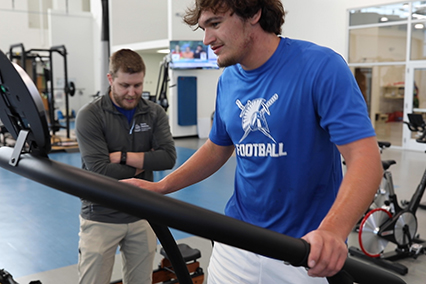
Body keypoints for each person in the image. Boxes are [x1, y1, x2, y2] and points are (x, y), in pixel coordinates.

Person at [122, 1, 383, 283]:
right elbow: (216, 147)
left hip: (302, 250)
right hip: (237, 241)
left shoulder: (320, 67)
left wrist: (333, 230)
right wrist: (161, 187)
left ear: (254, 13)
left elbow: (365, 160)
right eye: (203, 27)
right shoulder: (228, 79)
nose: (207, 39)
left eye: (215, 24)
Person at [75, 49, 176, 284]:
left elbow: (168, 158)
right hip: (101, 215)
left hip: (142, 213)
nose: (132, 93)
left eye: (138, 85)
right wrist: (144, 162)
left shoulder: (154, 113)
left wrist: (121, 156)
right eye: (125, 85)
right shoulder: (90, 115)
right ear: (111, 80)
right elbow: (100, 171)